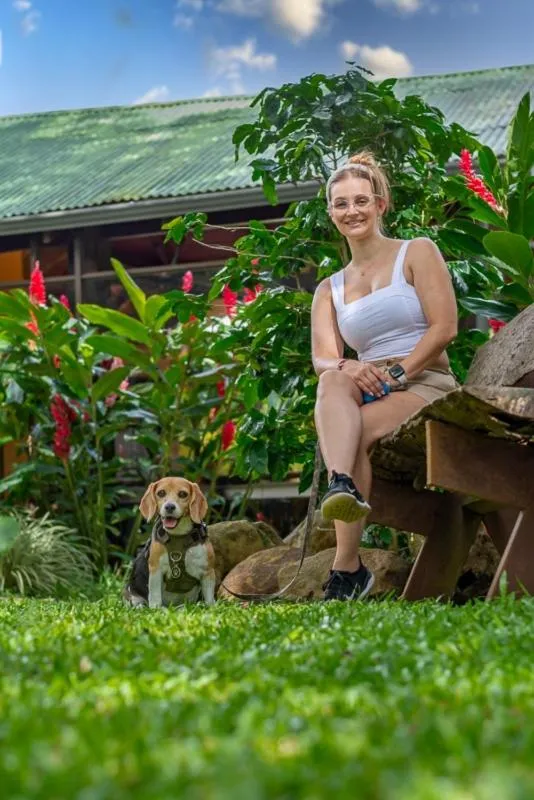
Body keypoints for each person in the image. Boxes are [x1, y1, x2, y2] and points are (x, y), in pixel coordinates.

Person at [311, 151, 458, 601]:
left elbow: (445, 327)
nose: (351, 211)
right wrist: (350, 365)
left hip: (425, 381)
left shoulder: (416, 252)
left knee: (351, 432)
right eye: (340, 204)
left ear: (379, 204)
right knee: (331, 380)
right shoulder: (328, 288)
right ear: (331, 213)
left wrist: (397, 373)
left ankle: (346, 569)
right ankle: (342, 485)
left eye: (360, 200)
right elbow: (323, 358)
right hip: (366, 387)